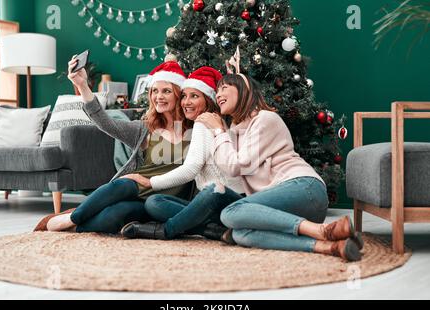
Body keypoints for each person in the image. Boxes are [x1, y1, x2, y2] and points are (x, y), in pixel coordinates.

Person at [196, 73, 363, 261]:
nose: (218, 94)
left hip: (304, 187)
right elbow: (229, 171)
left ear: (245, 91)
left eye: (224, 88)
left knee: (230, 213)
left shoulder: (265, 119)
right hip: (286, 209)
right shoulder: (235, 132)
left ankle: (321, 230)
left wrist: (218, 131)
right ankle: (328, 245)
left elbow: (235, 166)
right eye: (217, 90)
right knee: (240, 234)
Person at [35, 59, 194, 234]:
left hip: (162, 202)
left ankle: (76, 226)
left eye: (166, 91)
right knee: (121, 187)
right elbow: (106, 123)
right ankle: (71, 219)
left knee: (115, 216)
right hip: (137, 192)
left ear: (178, 95)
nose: (159, 96)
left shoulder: (196, 131)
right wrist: (82, 85)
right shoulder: (144, 128)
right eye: (155, 91)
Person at [119, 66, 244, 241]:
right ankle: (212, 230)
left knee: (155, 203)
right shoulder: (214, 120)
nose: (186, 102)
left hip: (222, 200)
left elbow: (190, 169)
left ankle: (164, 231)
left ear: (208, 99)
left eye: (194, 96)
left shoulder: (203, 122)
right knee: (155, 202)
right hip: (215, 202)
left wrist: (150, 182)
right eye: (184, 96)